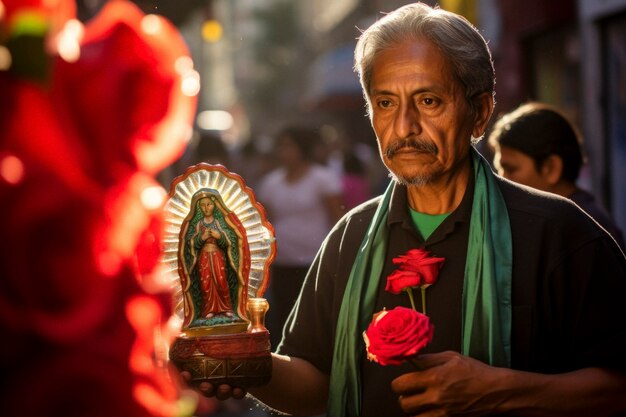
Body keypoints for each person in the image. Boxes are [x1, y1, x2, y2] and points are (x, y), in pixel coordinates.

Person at [189, 3, 626, 417]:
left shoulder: (557, 233)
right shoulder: (351, 237)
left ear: (480, 113)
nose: (404, 127)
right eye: (385, 103)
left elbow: (616, 388)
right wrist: (244, 362)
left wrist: (500, 390)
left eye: (428, 100)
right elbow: (314, 379)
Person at [488, 101, 624, 249]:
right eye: (499, 170)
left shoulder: (575, 231)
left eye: (511, 170)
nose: (502, 180)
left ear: (551, 168)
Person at [257, 125, 344, 348]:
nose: (284, 152)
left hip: (316, 260)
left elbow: (338, 218)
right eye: (281, 146)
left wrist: (340, 254)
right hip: (282, 261)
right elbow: (266, 222)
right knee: (286, 315)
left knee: (317, 316)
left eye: (289, 146)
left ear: (302, 149)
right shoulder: (271, 182)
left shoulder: (323, 178)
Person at [180, 189, 249, 328]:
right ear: (199, 207)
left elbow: (230, 239)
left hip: (217, 255)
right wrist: (201, 238)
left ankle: (226, 309)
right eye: (203, 205)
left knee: (221, 281)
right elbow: (190, 243)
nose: (206, 208)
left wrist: (219, 236)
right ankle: (208, 310)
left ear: (215, 205)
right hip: (204, 257)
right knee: (206, 284)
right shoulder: (198, 224)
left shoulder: (219, 222)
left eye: (209, 204)